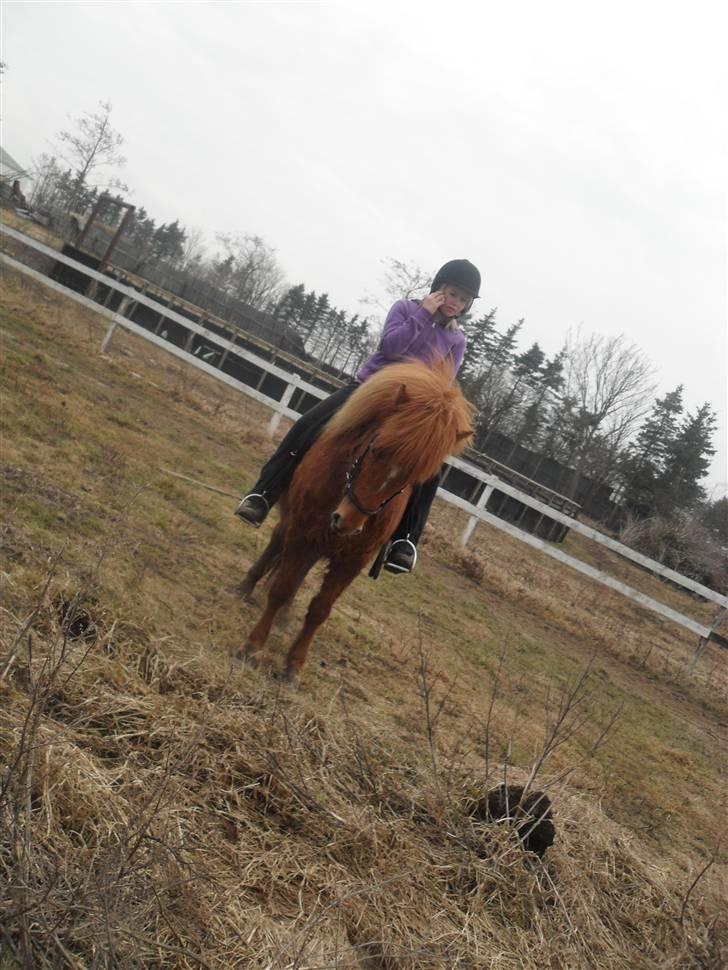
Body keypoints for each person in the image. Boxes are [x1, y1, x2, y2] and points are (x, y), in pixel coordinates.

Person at [235, 258, 480, 574]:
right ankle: (263, 494)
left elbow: (444, 381)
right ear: (437, 289)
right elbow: (391, 348)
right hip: (368, 390)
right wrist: (423, 315)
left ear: (467, 305)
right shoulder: (406, 309)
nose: (455, 302)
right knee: (308, 424)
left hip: (408, 408)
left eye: (463, 299)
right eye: (451, 293)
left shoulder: (457, 340)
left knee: (429, 469)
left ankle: (404, 541)